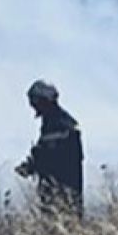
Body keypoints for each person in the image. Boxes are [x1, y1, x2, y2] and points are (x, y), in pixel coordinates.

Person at [14, 79, 83, 217]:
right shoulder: (56, 121)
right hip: (60, 187)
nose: (33, 107)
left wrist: (31, 166)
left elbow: (49, 154)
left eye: (35, 102)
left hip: (60, 187)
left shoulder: (59, 124)